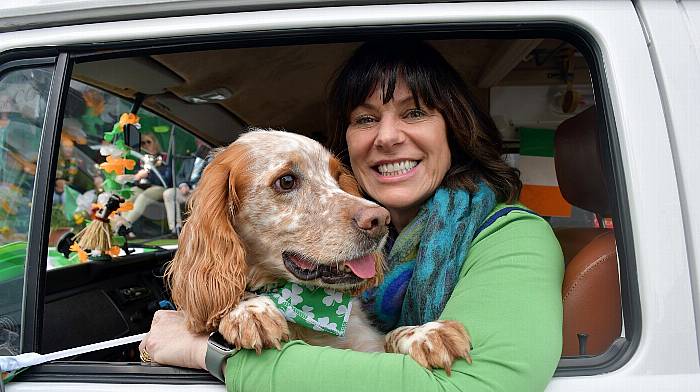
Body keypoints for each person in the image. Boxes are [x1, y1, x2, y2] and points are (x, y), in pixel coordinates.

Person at [140, 40, 564, 392]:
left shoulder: (513, 236)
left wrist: (210, 354)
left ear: (452, 128)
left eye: (415, 112)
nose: (389, 136)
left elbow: (476, 386)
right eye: (366, 118)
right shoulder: (388, 243)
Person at [122, 132, 173, 230]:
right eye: (143, 143)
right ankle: (125, 227)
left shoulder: (164, 157)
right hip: (142, 187)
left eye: (148, 142)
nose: (146, 145)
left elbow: (166, 179)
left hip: (159, 187)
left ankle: (124, 226)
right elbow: (136, 178)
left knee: (142, 197)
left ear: (155, 142)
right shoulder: (142, 158)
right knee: (128, 196)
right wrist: (136, 177)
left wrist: (148, 175)